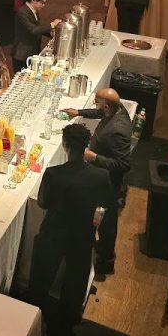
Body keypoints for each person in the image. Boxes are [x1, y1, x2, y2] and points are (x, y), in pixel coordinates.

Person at [27, 124, 113, 336]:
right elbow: (103, 207)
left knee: (41, 279)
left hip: (54, 233)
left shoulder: (54, 174)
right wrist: (93, 226)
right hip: (81, 235)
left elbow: (43, 203)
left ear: (65, 146)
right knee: (74, 282)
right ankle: (66, 326)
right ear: (86, 146)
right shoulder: (101, 175)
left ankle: (32, 322)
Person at [60, 89, 133, 277]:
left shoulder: (119, 130)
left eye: (97, 102)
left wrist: (94, 157)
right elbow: (101, 112)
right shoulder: (116, 109)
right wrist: (79, 112)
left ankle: (106, 261)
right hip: (101, 176)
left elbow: (124, 165)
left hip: (108, 183)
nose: (95, 104)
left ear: (107, 105)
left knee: (107, 221)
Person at [14, 0, 59, 70]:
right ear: (34, 0)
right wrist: (51, 25)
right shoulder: (22, 13)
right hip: (22, 54)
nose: (44, 5)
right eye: (42, 3)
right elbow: (33, 29)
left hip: (31, 51)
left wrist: (51, 33)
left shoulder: (32, 11)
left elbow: (37, 28)